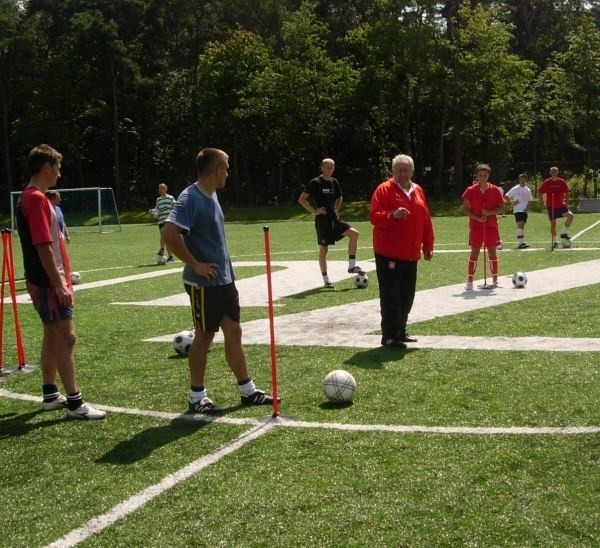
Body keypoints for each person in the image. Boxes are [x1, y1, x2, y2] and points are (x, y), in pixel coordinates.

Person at [162, 148, 279, 414]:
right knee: (204, 337)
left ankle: (247, 391)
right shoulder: (189, 198)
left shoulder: (212, 194)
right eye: (226, 167)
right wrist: (195, 265)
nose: (228, 172)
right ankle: (196, 397)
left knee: (234, 332)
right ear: (215, 170)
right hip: (204, 283)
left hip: (224, 280)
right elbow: (170, 234)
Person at [15, 144, 105, 419]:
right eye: (58, 167)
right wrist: (59, 284)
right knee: (67, 337)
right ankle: (75, 403)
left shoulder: (32, 197)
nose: (59, 174)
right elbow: (43, 245)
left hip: (45, 280)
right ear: (46, 167)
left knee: (52, 335)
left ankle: (51, 394)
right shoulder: (36, 199)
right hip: (47, 282)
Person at [369, 154, 434, 349]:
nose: (403, 174)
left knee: (407, 295)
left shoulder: (418, 190)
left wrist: (428, 245)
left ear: (412, 172)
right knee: (391, 296)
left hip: (411, 253)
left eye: (406, 170)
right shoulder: (384, 190)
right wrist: (393, 215)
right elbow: (374, 216)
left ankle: (401, 330)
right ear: (393, 171)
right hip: (388, 253)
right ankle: (389, 335)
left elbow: (426, 219)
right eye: (399, 170)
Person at [298, 158, 363, 289]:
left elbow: (340, 197)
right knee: (324, 248)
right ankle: (326, 279)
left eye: (332, 167)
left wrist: (336, 209)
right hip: (323, 222)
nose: (330, 170)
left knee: (354, 234)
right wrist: (315, 211)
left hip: (335, 219)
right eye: (327, 167)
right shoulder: (315, 182)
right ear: (322, 168)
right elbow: (302, 199)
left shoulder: (334, 182)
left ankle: (351, 266)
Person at [461, 164, 505, 290]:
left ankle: (495, 279)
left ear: (488, 176)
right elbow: (465, 209)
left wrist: (490, 213)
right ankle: (470, 281)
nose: (482, 178)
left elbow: (502, 208)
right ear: (477, 176)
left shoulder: (495, 190)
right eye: (480, 175)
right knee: (474, 253)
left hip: (491, 226)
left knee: (492, 253)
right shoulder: (470, 190)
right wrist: (478, 218)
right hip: (476, 227)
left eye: (485, 175)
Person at [538, 166, 574, 248]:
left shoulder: (561, 181)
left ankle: (564, 232)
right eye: (552, 171)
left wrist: (566, 202)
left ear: (557, 172)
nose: (554, 172)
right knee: (553, 224)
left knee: (571, 216)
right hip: (551, 206)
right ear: (550, 173)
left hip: (561, 205)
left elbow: (567, 192)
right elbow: (540, 192)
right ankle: (554, 241)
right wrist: (542, 202)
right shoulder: (547, 182)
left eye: (555, 171)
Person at [505, 173, 534, 249]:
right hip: (518, 210)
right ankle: (520, 243)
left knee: (522, 226)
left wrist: (527, 208)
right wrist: (512, 202)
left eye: (524, 179)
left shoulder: (527, 189)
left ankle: (522, 241)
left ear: (526, 180)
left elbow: (530, 200)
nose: (522, 180)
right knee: (520, 225)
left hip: (524, 211)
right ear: (519, 180)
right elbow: (506, 196)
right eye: (521, 179)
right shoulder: (516, 188)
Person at [149, 182, 176, 262]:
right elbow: (157, 212)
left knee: (166, 237)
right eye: (159, 188)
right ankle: (168, 256)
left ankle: (163, 251)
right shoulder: (158, 200)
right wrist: (152, 212)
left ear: (166, 189)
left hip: (169, 221)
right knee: (165, 238)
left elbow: (175, 207)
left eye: (161, 188)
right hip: (161, 221)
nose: (160, 190)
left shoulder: (170, 198)